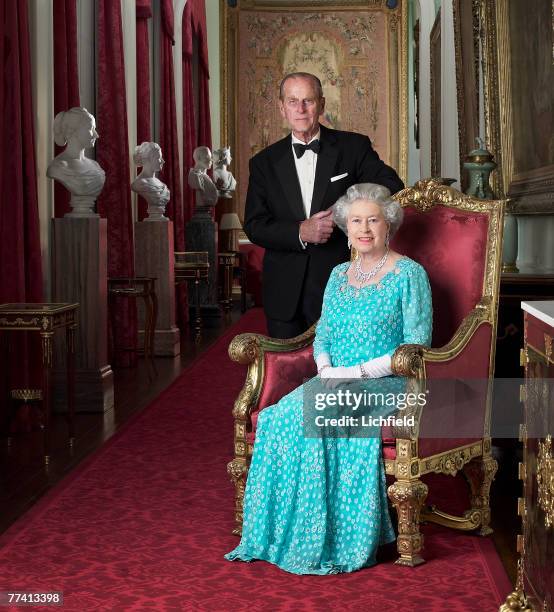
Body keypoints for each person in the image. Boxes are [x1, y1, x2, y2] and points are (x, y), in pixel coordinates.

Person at [226, 183, 432, 574]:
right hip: (335, 377)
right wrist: (325, 369)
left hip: (388, 383)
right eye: (356, 220)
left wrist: (353, 373)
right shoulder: (339, 274)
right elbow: (323, 334)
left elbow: (415, 349)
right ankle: (278, 532)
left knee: (319, 417)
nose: (364, 228)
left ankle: (332, 536)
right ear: (345, 226)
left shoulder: (409, 274)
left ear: (388, 223)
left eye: (373, 219)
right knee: (277, 418)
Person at [244, 72, 404, 339]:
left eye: (308, 100)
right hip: (284, 293)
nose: (301, 108)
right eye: (293, 101)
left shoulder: (354, 147)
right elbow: (254, 225)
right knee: (290, 377)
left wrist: (345, 209)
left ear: (322, 104)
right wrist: (299, 232)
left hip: (344, 285)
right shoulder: (263, 162)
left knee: (338, 376)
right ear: (282, 108)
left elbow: (392, 185)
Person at [47, 107, 105, 217]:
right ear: (73, 130)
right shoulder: (58, 167)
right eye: (90, 128)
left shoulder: (96, 166)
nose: (96, 135)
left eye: (94, 128)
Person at [131, 142, 170, 221]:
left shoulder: (162, 185)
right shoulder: (138, 184)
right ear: (148, 159)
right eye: (159, 157)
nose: (163, 161)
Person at [188, 146, 218, 211]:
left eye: (211, 157)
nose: (211, 160)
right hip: (202, 209)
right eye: (208, 157)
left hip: (207, 210)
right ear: (198, 158)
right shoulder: (194, 176)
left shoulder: (205, 176)